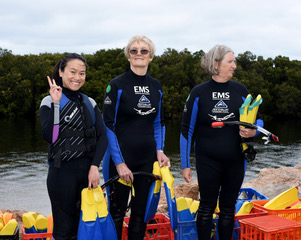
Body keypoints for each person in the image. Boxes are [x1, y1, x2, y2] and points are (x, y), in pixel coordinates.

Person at [180, 45, 263, 240]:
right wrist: (185, 165)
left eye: (234, 61)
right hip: (207, 160)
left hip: (236, 160)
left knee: (228, 208)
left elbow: (258, 119)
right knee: (207, 207)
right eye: (230, 61)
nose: (234, 65)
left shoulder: (240, 90)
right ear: (216, 64)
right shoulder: (199, 92)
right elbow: (186, 130)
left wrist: (253, 131)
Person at [102, 35, 170, 240]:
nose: (139, 54)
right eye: (134, 50)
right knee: (117, 213)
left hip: (146, 160)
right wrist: (120, 163)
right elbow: (108, 125)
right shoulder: (116, 85)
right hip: (120, 160)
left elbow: (158, 123)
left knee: (140, 215)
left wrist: (159, 150)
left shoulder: (156, 86)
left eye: (144, 50)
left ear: (151, 56)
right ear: (128, 56)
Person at [39, 53, 108, 240]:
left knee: (84, 228)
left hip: (87, 173)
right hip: (61, 174)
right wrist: (55, 104)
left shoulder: (90, 102)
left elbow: (103, 138)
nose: (77, 77)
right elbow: (50, 137)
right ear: (61, 72)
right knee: (63, 231)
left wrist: (95, 166)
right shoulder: (48, 101)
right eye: (73, 72)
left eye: (82, 73)